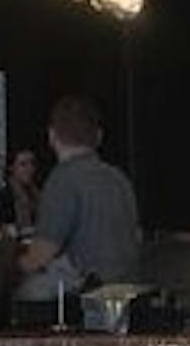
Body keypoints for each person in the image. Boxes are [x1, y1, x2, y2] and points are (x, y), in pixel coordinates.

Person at [18, 96, 140, 296]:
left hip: (88, 291)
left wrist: (16, 266)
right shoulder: (119, 178)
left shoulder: (62, 179)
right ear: (99, 136)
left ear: (52, 136)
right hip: (127, 287)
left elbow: (43, 253)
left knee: (26, 292)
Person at [0, 147, 42, 233]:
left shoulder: (37, 195)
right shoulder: (5, 197)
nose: (29, 169)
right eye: (23, 164)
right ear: (12, 168)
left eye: (32, 164)